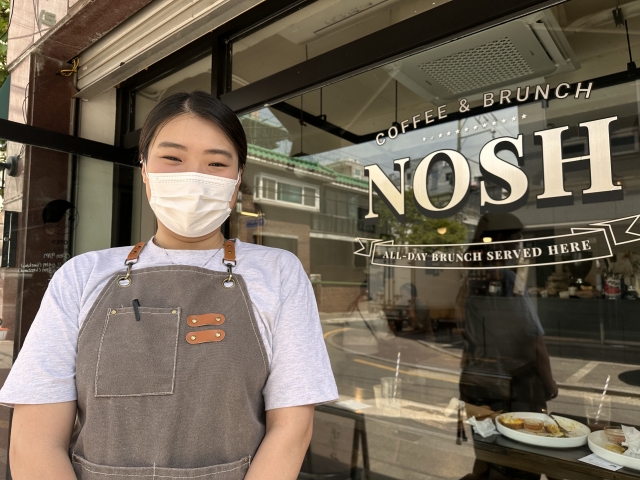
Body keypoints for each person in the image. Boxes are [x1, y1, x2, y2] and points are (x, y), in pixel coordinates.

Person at [0, 91, 339, 480]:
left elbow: (291, 429)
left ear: (237, 178)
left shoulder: (278, 272)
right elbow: (34, 441)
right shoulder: (81, 275)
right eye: (173, 158)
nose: (194, 178)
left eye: (216, 162)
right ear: (144, 168)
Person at [457, 212, 557, 480]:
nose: (521, 246)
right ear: (501, 242)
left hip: (476, 382)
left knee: (488, 454)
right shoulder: (508, 281)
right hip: (513, 386)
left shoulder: (469, 281)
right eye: (517, 240)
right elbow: (532, 341)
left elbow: (465, 333)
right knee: (522, 461)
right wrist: (548, 383)